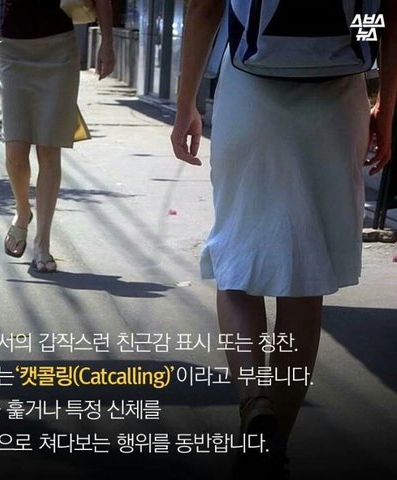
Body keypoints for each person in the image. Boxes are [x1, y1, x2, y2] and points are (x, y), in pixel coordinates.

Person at [171, 0, 397, 477]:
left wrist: (186, 101)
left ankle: (255, 401)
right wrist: (382, 99)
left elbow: (204, 8)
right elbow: (384, 15)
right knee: (305, 280)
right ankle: (274, 450)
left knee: (238, 260)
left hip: (251, 89)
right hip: (338, 98)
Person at [0, 0, 114, 273]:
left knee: (49, 148)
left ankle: (42, 243)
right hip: (13, 50)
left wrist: (107, 41)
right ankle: (23, 211)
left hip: (60, 49)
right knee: (15, 149)